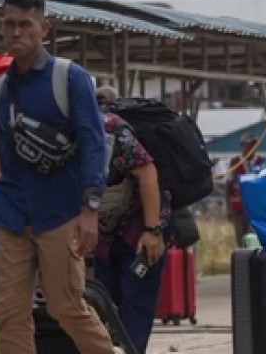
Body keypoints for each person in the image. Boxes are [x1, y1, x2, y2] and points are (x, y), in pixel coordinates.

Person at [0, 0, 113, 354]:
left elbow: (94, 143)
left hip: (60, 212)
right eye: (9, 24)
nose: (16, 32)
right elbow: (4, 158)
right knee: (9, 313)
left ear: (45, 28)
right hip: (10, 213)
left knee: (66, 307)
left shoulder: (69, 78)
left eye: (25, 24)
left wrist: (90, 209)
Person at [91, 103, 169, 354]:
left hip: (140, 230)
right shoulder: (60, 131)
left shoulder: (111, 131)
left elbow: (147, 173)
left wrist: (153, 232)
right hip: (105, 236)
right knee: (106, 305)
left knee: (136, 304)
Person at [225, 133, 263, 247]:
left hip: (255, 211)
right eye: (249, 145)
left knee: (253, 239)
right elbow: (228, 188)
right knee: (240, 240)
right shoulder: (235, 162)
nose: (252, 148)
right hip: (238, 210)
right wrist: (229, 210)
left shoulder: (260, 162)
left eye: (254, 145)